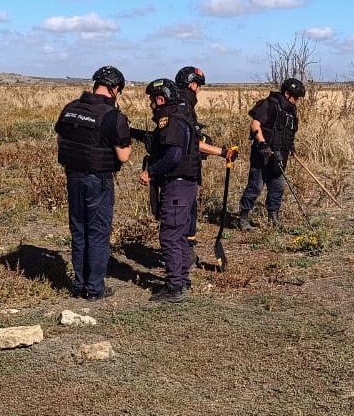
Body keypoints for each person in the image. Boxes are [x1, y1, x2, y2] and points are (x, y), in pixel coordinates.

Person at [55, 66, 132, 300]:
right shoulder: (112, 116)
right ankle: (95, 288)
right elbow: (123, 156)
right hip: (98, 180)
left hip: (73, 177)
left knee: (78, 231)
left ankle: (79, 285)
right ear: (115, 89)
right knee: (98, 233)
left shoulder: (70, 109)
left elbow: (61, 139)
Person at [139, 79, 200, 303]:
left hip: (177, 186)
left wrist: (151, 172)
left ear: (160, 99)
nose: (150, 105)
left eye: (151, 100)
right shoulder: (182, 118)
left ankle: (175, 286)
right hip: (186, 186)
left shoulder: (171, 122)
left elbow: (173, 156)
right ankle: (182, 280)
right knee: (180, 234)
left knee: (170, 235)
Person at [237, 78, 305, 230]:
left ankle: (273, 218)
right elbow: (255, 125)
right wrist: (262, 144)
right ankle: (243, 218)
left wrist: (290, 147)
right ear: (287, 93)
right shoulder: (268, 104)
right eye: (295, 97)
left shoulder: (291, 111)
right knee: (255, 186)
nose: (297, 101)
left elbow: (288, 132)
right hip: (263, 153)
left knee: (277, 187)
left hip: (280, 155)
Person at [174, 66, 226, 245]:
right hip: (182, 171)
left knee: (187, 211)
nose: (200, 91)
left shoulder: (179, 104)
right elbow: (189, 142)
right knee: (184, 214)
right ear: (193, 85)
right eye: (199, 86)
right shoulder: (182, 107)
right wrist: (221, 152)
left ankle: (185, 249)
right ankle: (181, 254)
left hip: (183, 169)